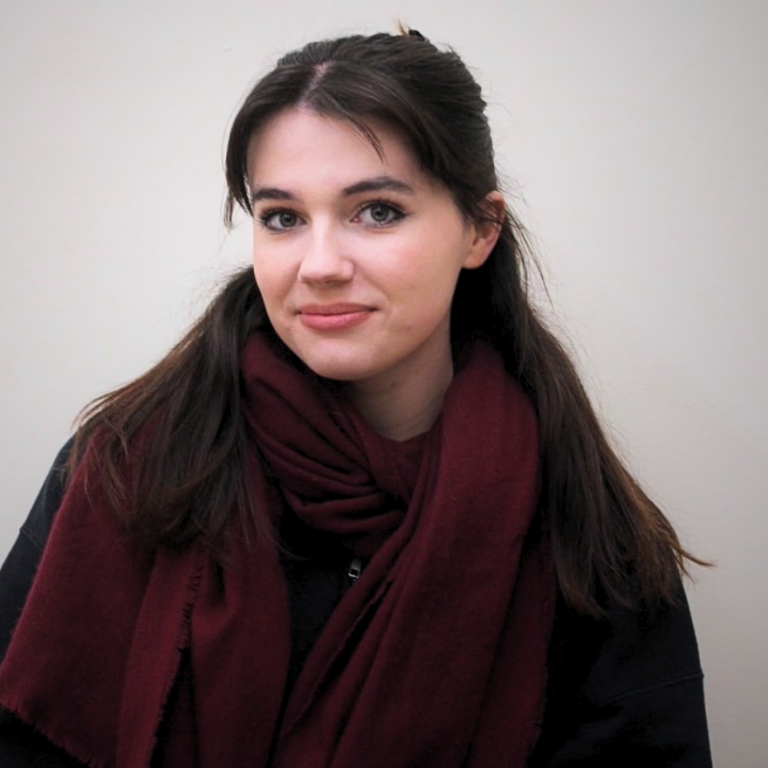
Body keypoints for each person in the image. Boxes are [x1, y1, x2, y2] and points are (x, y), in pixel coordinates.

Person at [0, 28, 711, 767]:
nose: (320, 265)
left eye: (377, 211)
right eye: (282, 218)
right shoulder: (123, 466)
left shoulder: (590, 536)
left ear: (480, 228)